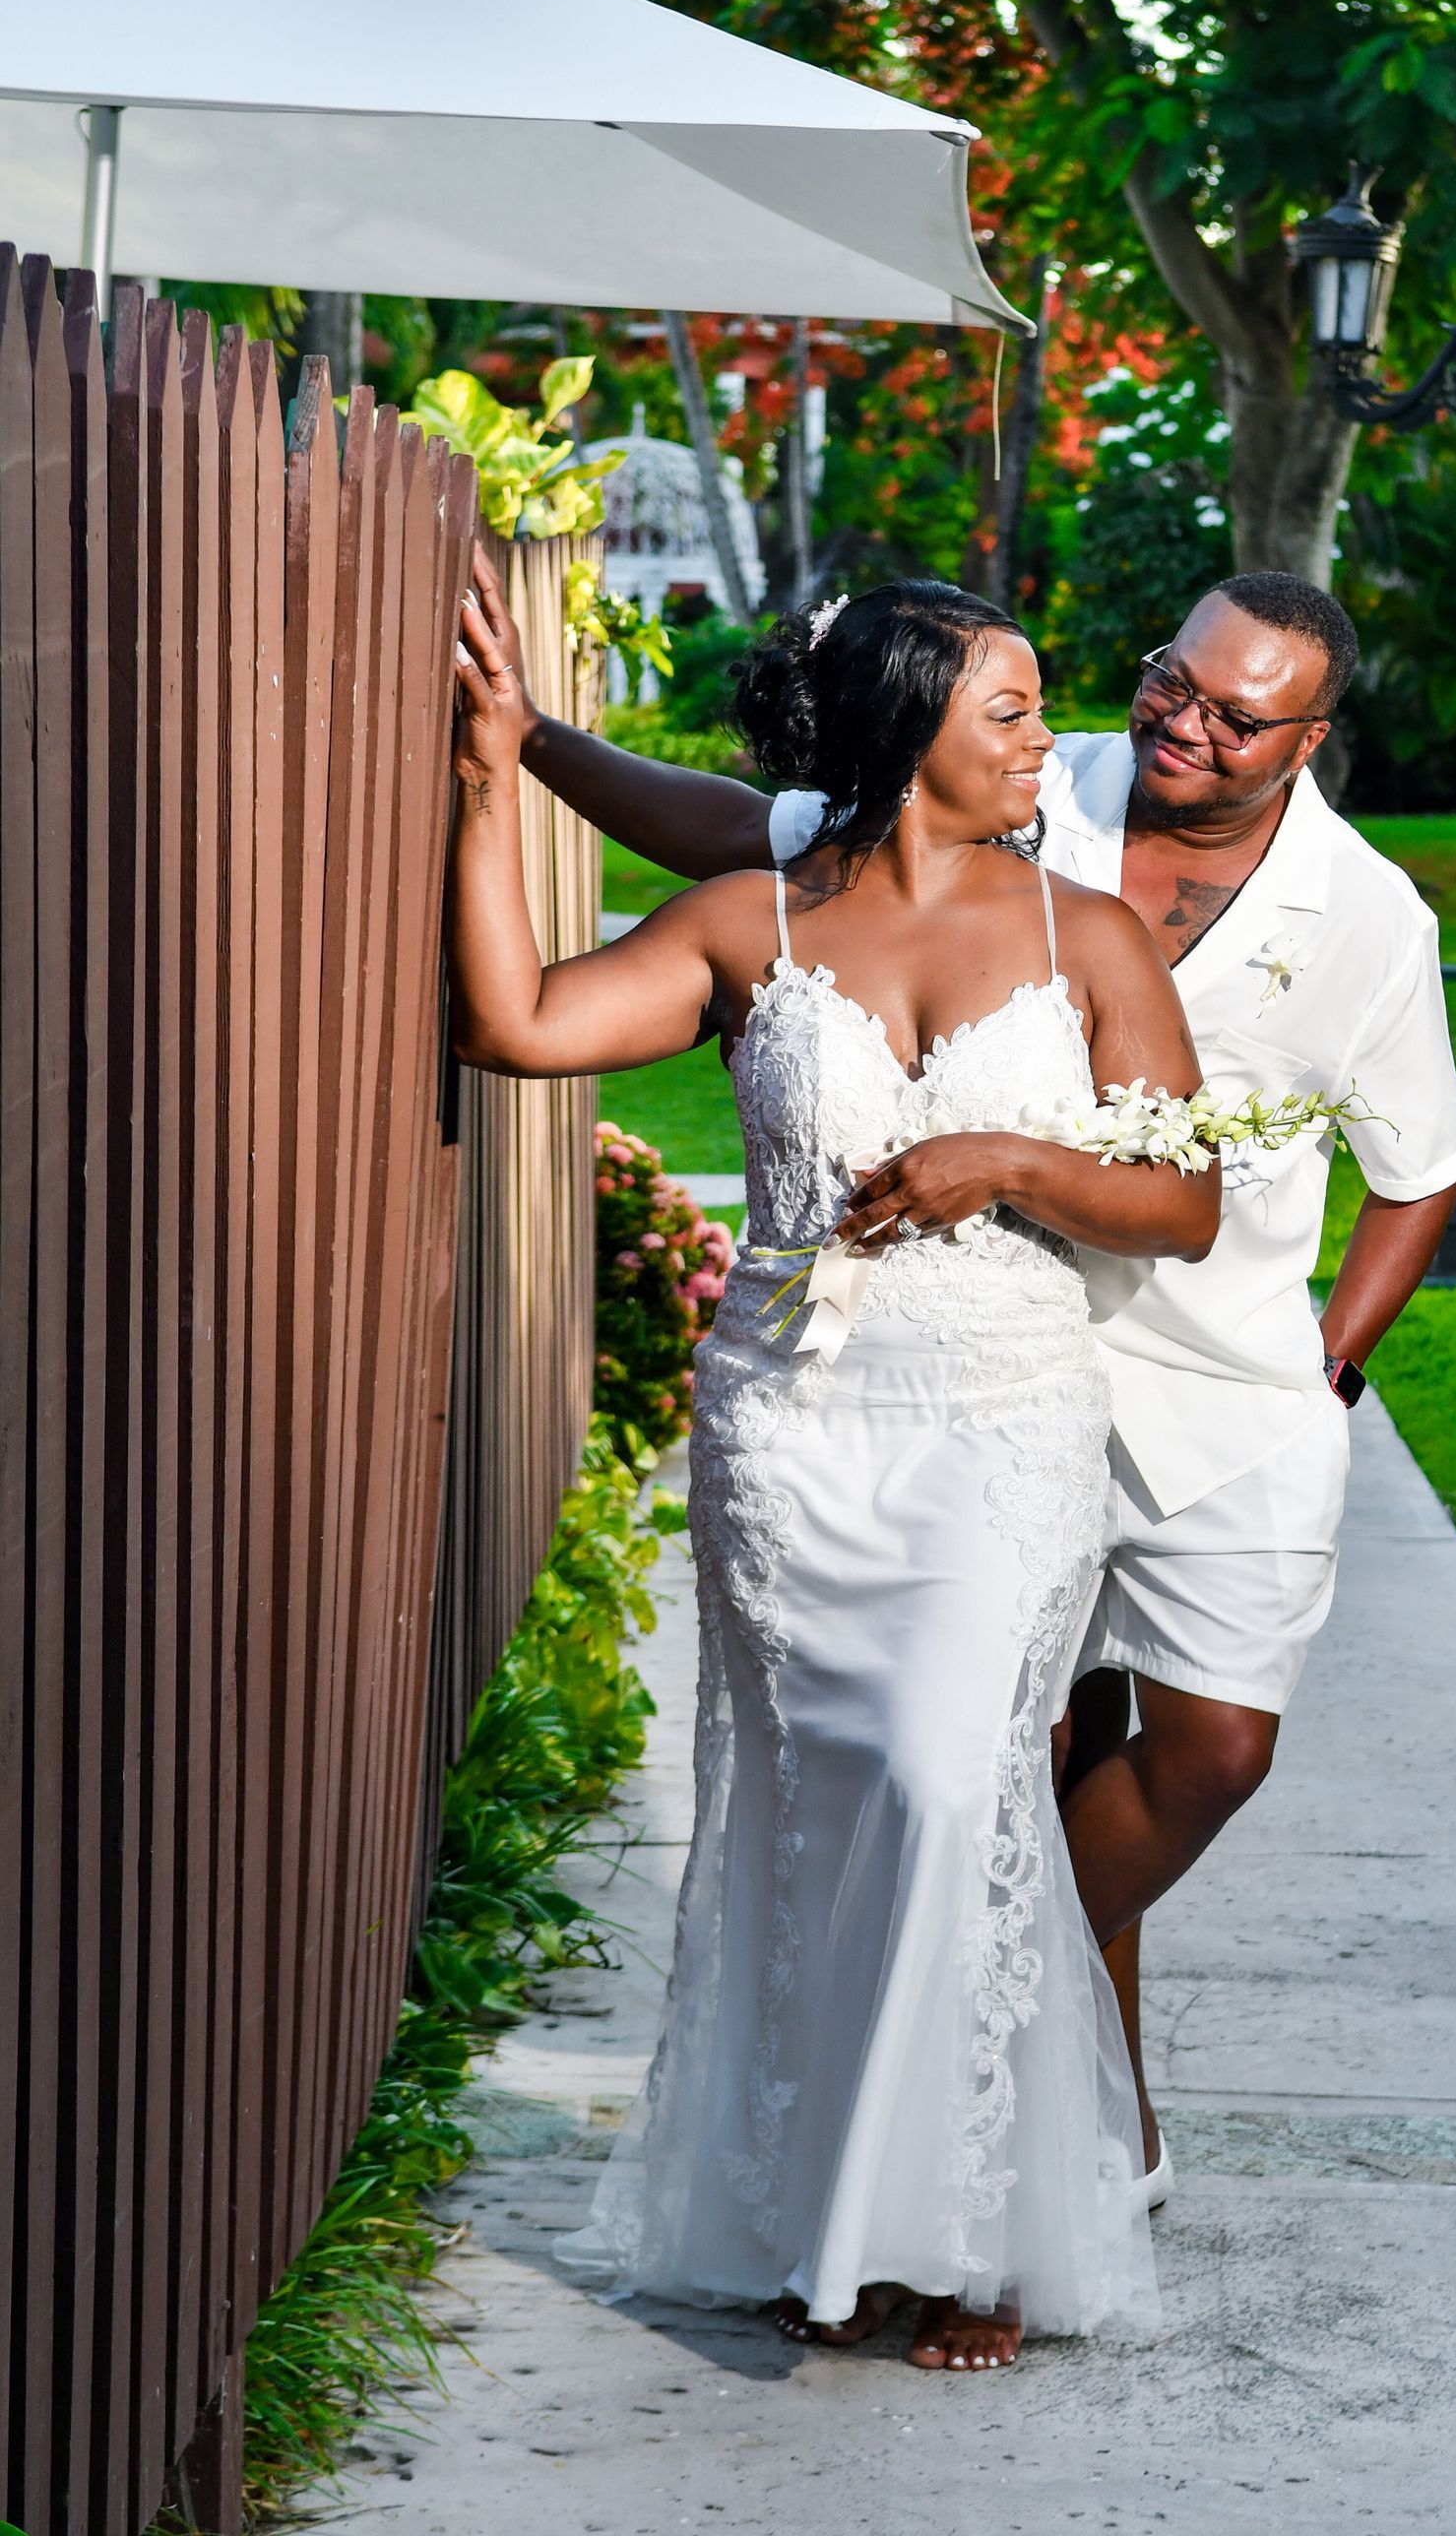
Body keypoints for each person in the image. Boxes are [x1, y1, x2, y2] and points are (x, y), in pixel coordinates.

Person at [489, 562, 1456, 2193]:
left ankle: (950, 2008)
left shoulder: (1369, 916)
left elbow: (1423, 1164)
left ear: (1306, 742)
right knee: (1014, 1759)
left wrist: (1333, 1366)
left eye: (1237, 716)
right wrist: (531, 741)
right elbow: (743, 834)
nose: (1185, 722)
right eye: (1173, 677)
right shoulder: (1030, 780)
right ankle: (1072, 2126)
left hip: (1226, 1384)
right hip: (996, 1372)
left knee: (1210, 1753)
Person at [448, 567, 1219, 2373]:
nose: (1047, 741)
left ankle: (973, 2232)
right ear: (904, 730)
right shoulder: (751, 922)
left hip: (1003, 1424)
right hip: (792, 1432)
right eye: (1011, 711)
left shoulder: (1092, 940)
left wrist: (1008, 1161)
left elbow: (1182, 1202)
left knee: (956, 1790)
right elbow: (516, 1028)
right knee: (819, 1810)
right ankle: (840, 2226)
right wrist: (488, 785)